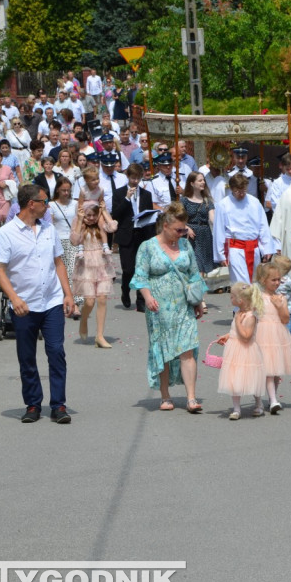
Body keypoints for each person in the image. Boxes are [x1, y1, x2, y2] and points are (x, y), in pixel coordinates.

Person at [0, 184, 77, 424]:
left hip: (51, 302)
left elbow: (58, 263)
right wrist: (15, 298)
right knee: (27, 356)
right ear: (32, 204)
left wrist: (68, 294)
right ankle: (32, 405)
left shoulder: (49, 230)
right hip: (24, 306)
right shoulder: (5, 234)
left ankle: (58, 405)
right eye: (44, 201)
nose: (47, 205)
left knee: (56, 352)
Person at [130, 203, 206, 413]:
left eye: (184, 229)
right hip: (158, 308)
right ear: (165, 226)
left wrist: (199, 301)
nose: (183, 233)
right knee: (163, 350)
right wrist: (147, 297)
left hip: (183, 305)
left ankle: (191, 398)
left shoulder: (184, 245)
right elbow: (141, 276)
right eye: (178, 230)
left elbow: (193, 273)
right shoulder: (148, 247)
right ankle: (165, 395)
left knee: (187, 348)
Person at [212, 172, 276, 285]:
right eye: (237, 191)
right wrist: (220, 254)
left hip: (253, 247)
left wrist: (267, 248)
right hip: (235, 249)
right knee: (242, 284)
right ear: (231, 188)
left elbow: (263, 226)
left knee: (255, 283)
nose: (241, 194)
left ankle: (253, 303)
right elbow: (219, 231)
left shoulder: (254, 202)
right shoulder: (223, 204)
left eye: (243, 190)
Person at [216, 283, 268, 420]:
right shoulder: (238, 313)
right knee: (234, 379)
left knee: (252, 377)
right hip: (234, 350)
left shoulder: (250, 317)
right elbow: (235, 331)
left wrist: (238, 323)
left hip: (247, 351)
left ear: (240, 300)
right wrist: (228, 336)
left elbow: (246, 336)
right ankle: (236, 408)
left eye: (232, 296)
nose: (230, 298)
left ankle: (258, 403)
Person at [70, 200, 118, 348]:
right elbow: (74, 240)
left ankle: (100, 336)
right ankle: (84, 319)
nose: (91, 218)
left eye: (93, 215)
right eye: (88, 215)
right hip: (86, 265)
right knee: (89, 301)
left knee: (102, 299)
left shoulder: (100, 224)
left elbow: (112, 227)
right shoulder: (80, 224)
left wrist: (103, 212)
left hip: (102, 264)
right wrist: (79, 220)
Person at [254, 262, 291, 414]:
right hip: (262, 334)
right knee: (265, 371)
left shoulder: (281, 297)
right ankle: (266, 401)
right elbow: (252, 315)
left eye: (279, 279)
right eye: (273, 280)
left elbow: (286, 319)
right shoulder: (258, 296)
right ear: (263, 280)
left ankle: (272, 398)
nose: (277, 282)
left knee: (275, 371)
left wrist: (280, 306)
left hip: (277, 335)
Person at [111, 163, 156, 311]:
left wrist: (152, 237)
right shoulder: (119, 193)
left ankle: (141, 299)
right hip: (126, 234)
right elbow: (116, 214)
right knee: (128, 269)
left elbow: (149, 216)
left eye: (138, 178)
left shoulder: (146, 194)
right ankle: (125, 289)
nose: (135, 181)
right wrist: (126, 199)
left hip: (142, 234)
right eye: (132, 177)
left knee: (141, 269)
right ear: (128, 177)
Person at [49, 178, 83, 315]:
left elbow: (81, 221)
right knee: (62, 273)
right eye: (63, 190)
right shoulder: (51, 205)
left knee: (73, 272)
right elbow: (50, 225)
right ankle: (66, 300)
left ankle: (75, 304)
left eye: (68, 190)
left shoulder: (75, 203)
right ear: (58, 189)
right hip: (58, 241)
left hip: (73, 240)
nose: (66, 193)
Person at [180, 171, 216, 279]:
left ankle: (198, 294)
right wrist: (186, 228)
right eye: (200, 180)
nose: (203, 182)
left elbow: (212, 218)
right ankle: (197, 293)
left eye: (203, 180)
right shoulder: (184, 200)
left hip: (205, 235)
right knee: (197, 266)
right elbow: (178, 219)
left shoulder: (207, 201)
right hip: (190, 236)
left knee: (203, 268)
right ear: (192, 183)